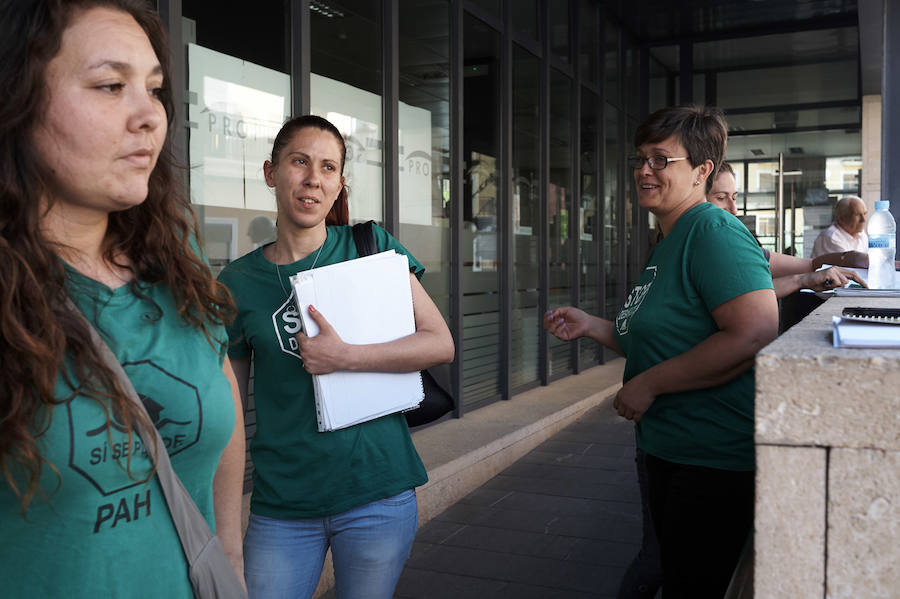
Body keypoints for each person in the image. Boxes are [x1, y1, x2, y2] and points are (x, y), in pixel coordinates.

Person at [0, 1, 245, 596]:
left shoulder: (173, 257)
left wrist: (230, 553)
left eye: (155, 89)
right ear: (16, 100)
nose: (150, 117)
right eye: (111, 85)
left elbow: (221, 394)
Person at [217, 114, 454, 599]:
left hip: (377, 492)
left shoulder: (371, 249)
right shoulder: (236, 284)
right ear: (270, 172)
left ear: (339, 183)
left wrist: (345, 356)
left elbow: (438, 342)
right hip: (282, 502)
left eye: (328, 167)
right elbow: (230, 414)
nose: (312, 179)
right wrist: (225, 535)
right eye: (299, 162)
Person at [546, 105, 779, 598]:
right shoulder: (667, 240)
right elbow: (658, 336)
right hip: (668, 451)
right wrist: (592, 326)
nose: (644, 170)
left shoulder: (712, 231)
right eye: (641, 158)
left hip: (709, 461)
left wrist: (649, 384)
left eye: (660, 159)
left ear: (701, 171)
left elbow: (754, 331)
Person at [708, 163, 867, 297]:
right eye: (721, 198)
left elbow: (811, 265)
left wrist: (853, 258)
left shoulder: (737, 244)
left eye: (734, 198)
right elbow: (745, 295)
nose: (734, 209)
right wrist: (801, 280)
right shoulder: (704, 249)